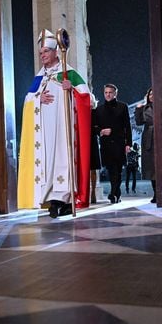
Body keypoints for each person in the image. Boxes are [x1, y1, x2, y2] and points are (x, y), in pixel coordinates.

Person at [17, 29, 92, 218]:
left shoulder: (69, 73)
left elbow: (88, 99)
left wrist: (72, 89)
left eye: (46, 52)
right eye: (40, 53)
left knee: (63, 160)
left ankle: (65, 200)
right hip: (44, 133)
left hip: (64, 130)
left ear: (56, 52)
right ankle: (51, 199)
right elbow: (27, 100)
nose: (42, 56)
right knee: (48, 161)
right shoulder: (39, 77)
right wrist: (37, 98)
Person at [94, 83, 132, 203]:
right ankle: (116, 193)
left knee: (118, 170)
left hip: (119, 142)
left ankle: (113, 193)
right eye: (106, 92)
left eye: (110, 92)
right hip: (106, 144)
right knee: (111, 170)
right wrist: (101, 131)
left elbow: (127, 126)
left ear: (115, 93)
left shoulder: (123, 107)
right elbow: (94, 127)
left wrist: (128, 144)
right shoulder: (99, 109)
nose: (108, 95)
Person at [135, 87, 157, 203]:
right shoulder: (144, 108)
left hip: (160, 137)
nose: (151, 96)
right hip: (149, 139)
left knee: (160, 167)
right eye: (150, 94)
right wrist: (138, 110)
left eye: (154, 94)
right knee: (151, 168)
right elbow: (138, 122)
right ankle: (156, 194)